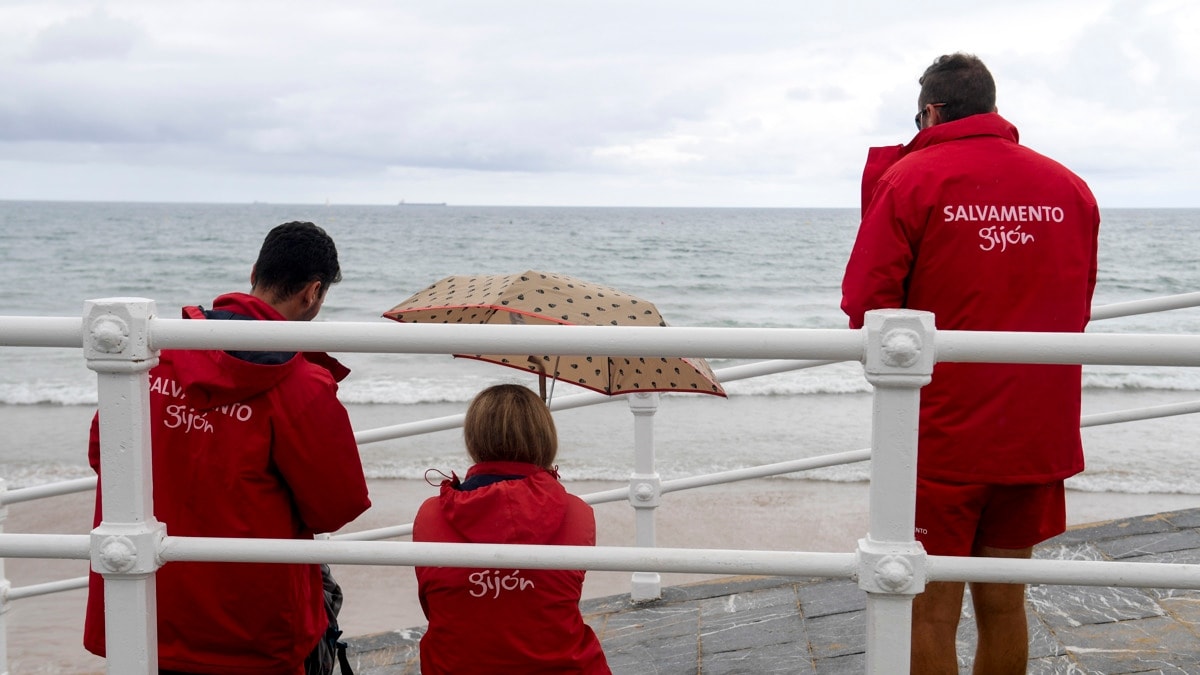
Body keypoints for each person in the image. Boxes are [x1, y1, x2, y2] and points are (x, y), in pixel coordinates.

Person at [841, 53, 1100, 674]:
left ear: (930, 111)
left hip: (942, 432)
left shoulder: (913, 180)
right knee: (1006, 601)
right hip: (1037, 424)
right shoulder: (1067, 184)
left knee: (929, 609)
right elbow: (1079, 300)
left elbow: (867, 305)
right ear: (990, 106)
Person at [83, 221, 372, 674]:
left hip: (146, 608)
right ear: (313, 292)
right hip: (252, 627)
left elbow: (106, 454)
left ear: (254, 270)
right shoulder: (301, 385)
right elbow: (337, 505)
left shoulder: (156, 354)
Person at [413, 383, 611, 674]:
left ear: (473, 439)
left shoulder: (431, 515)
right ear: (545, 438)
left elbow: (435, 607)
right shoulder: (576, 512)